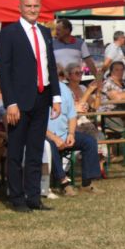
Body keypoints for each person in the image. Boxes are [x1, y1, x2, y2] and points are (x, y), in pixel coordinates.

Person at [0, 0, 62, 212]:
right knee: (16, 152)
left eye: (36, 6)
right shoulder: (9, 33)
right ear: (20, 7)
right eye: (28, 6)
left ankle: (34, 197)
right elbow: (4, 71)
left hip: (42, 98)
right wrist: (10, 103)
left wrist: (56, 97)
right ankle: (16, 198)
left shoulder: (44, 32)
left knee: (36, 150)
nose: (33, 10)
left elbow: (50, 66)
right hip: (19, 102)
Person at [46, 66, 103, 197]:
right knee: (50, 146)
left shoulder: (65, 90)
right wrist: (54, 138)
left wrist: (71, 134)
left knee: (89, 141)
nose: (58, 77)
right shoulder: (39, 91)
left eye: (60, 74)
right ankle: (64, 183)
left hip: (64, 133)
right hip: (45, 135)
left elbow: (72, 115)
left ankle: (87, 183)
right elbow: (37, 123)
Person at [99, 61, 125, 133]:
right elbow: (117, 98)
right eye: (117, 70)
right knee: (122, 131)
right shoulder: (107, 83)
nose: (120, 72)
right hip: (111, 114)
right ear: (111, 71)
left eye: (122, 70)